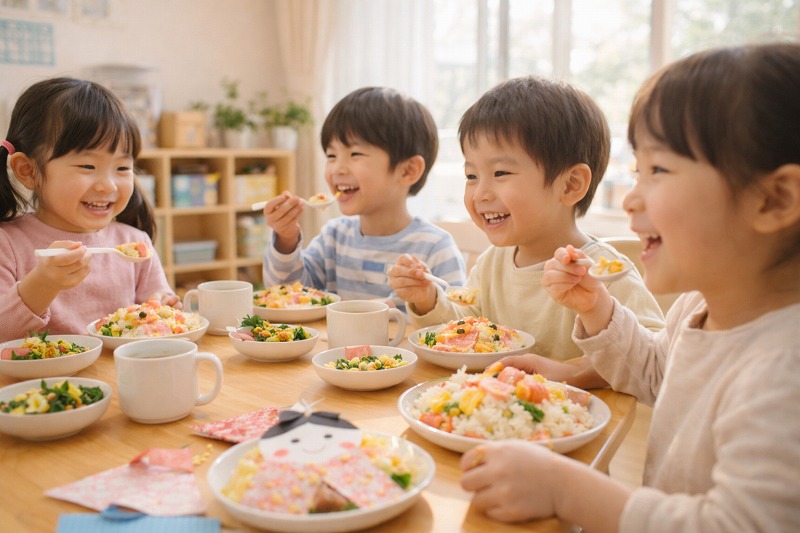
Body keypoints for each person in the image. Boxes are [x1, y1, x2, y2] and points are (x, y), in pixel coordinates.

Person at [459, 43, 800, 532]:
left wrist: (565, 488)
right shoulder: (696, 308)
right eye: (637, 171)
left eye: (658, 170)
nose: (633, 196)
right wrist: (597, 311)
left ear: (774, 199)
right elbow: (654, 371)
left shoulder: (784, 370)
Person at [388, 76, 663, 365]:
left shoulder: (604, 274)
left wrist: (573, 371)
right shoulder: (492, 263)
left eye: (500, 173)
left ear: (570, 185)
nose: (480, 193)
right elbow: (466, 325)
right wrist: (427, 298)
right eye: (471, 176)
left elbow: (653, 357)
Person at [0, 77, 178, 341]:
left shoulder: (134, 244)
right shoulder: (8, 244)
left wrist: (164, 309)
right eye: (87, 167)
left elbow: (161, 314)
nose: (108, 186)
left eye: (122, 168)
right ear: (28, 171)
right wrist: (42, 284)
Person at [260, 87, 466, 310]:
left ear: (408, 171)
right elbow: (286, 295)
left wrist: (425, 300)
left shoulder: (436, 249)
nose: (337, 168)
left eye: (355, 154)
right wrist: (286, 239)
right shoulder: (334, 238)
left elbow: (454, 324)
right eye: (331, 155)